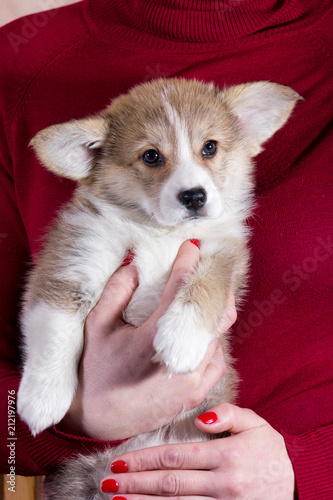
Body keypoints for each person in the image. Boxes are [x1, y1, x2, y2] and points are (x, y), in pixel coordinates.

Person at [0, 0, 332, 498]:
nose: (190, 180)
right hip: (95, 482)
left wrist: (305, 470)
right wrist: (78, 417)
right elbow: (12, 429)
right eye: (153, 157)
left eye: (209, 149)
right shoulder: (20, 64)